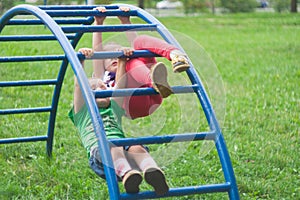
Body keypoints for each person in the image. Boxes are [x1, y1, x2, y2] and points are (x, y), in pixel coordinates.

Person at [69, 48, 169, 195]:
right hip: (101, 155)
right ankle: (128, 175)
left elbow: (120, 86)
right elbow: (79, 86)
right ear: (86, 96)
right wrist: (80, 60)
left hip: (123, 148)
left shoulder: (113, 108)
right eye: (94, 88)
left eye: (104, 87)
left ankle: (152, 172)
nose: (101, 89)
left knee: (136, 146)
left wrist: (122, 61)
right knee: (113, 147)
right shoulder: (83, 113)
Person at [92, 6, 190, 119]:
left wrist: (125, 21)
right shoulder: (102, 77)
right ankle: (153, 80)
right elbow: (97, 51)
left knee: (139, 42)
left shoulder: (131, 65)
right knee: (128, 65)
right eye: (110, 56)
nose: (116, 58)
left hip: (153, 95)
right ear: (103, 64)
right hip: (129, 105)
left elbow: (135, 45)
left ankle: (175, 54)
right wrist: (98, 23)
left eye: (117, 52)